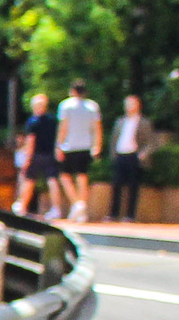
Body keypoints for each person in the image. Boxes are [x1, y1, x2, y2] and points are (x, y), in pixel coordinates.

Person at [56, 82, 103, 221]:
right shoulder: (92, 106)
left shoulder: (66, 106)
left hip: (69, 146)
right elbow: (97, 128)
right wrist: (97, 145)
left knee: (65, 176)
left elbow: (63, 127)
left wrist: (58, 145)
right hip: (86, 146)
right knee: (82, 176)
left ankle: (77, 203)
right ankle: (81, 207)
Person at [108, 94, 157, 222]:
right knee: (116, 185)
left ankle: (130, 215)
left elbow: (151, 143)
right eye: (127, 104)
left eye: (132, 104)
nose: (129, 107)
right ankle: (113, 214)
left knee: (133, 186)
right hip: (120, 155)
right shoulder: (120, 121)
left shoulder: (144, 122)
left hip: (134, 156)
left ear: (138, 106)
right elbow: (113, 140)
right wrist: (113, 155)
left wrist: (143, 154)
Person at [16, 94, 59, 218]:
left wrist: (27, 158)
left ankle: (22, 206)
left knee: (29, 180)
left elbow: (31, 141)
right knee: (52, 180)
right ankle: (56, 208)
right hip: (50, 154)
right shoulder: (52, 120)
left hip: (35, 155)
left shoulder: (32, 122)